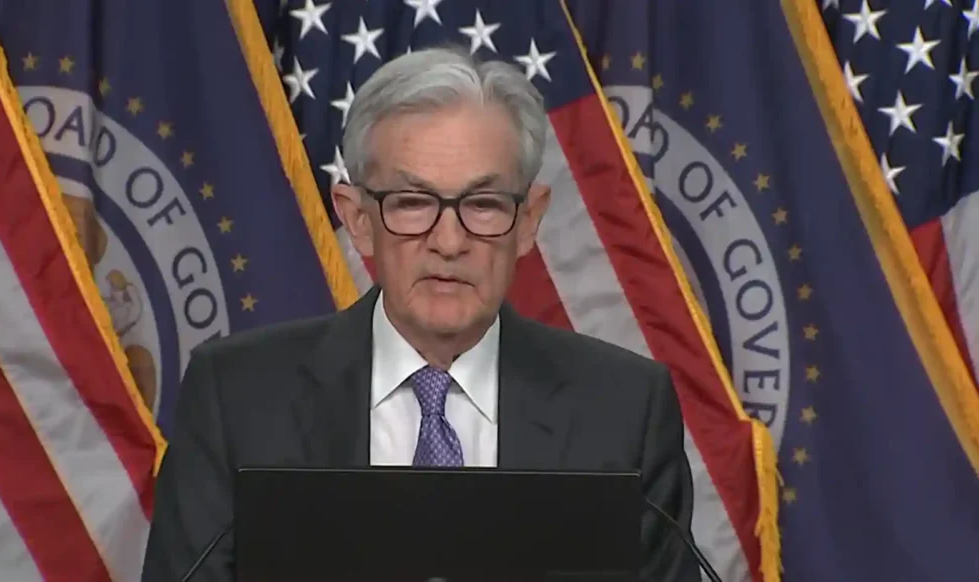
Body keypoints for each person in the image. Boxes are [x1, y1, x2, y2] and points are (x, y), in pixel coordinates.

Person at [141, 45, 700, 581]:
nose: (449, 242)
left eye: (483, 204)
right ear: (358, 219)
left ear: (529, 220)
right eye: (412, 203)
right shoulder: (237, 399)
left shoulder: (623, 412)